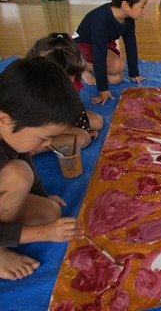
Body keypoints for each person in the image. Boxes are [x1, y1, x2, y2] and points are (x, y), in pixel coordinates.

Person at [0, 58, 83, 280]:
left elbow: (26, 159)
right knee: (18, 174)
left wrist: (42, 197)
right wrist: (45, 233)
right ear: (5, 120)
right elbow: (23, 169)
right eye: (44, 138)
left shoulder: (12, 129)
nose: (47, 144)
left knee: (49, 212)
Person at [73, 0, 150, 105]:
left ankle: (89, 69)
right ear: (125, 5)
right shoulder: (100, 20)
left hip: (103, 43)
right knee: (118, 66)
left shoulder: (128, 17)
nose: (144, 10)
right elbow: (99, 54)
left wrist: (133, 73)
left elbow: (130, 43)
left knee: (117, 79)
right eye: (142, 6)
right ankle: (81, 68)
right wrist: (103, 90)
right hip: (84, 45)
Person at [26, 33, 104, 153]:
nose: (66, 83)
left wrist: (78, 125)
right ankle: (36, 149)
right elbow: (40, 125)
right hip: (41, 127)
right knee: (83, 139)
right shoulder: (35, 93)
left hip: (61, 118)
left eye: (70, 77)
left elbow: (72, 107)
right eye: (60, 79)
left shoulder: (71, 79)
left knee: (97, 121)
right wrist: (77, 132)